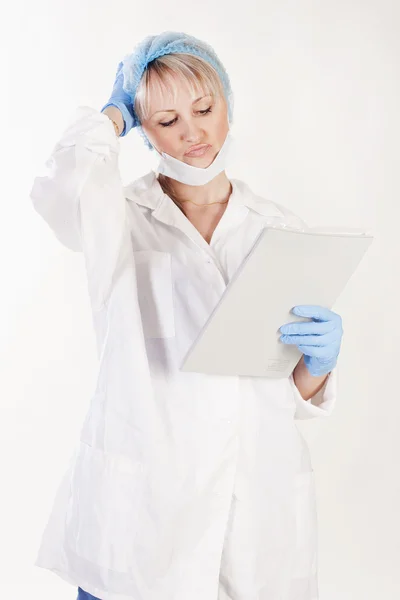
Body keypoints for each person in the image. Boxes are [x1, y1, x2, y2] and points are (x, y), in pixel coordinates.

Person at [30, 31, 343, 600]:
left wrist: (318, 363)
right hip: (142, 517)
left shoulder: (282, 229)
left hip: (253, 516)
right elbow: (58, 188)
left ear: (228, 103)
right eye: (166, 119)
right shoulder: (116, 216)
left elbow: (287, 394)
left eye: (204, 108)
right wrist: (109, 119)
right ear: (144, 131)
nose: (192, 133)